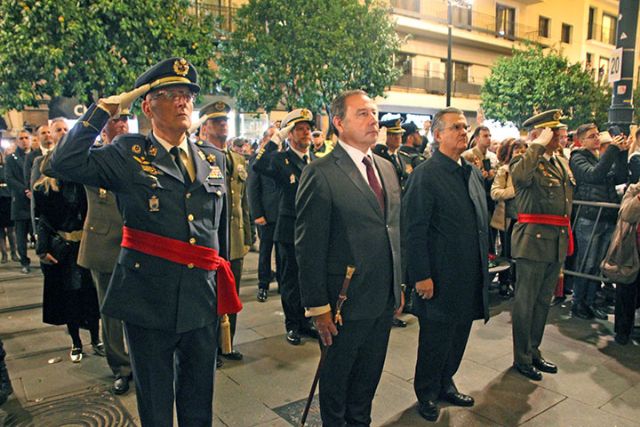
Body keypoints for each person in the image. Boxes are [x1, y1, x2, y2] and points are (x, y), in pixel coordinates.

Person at [49, 57, 234, 426]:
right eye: (172, 94)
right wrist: (103, 110)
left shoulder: (213, 159)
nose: (183, 102)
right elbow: (64, 163)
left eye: (187, 95)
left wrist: (219, 293)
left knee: (199, 403)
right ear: (148, 106)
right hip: (148, 299)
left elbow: (218, 232)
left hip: (200, 298)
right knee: (156, 405)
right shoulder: (127, 154)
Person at [296, 89, 403, 426]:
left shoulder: (385, 168)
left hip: (381, 298)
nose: (374, 120)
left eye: (374, 113)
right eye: (363, 113)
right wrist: (318, 308)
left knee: (366, 385)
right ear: (339, 123)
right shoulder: (322, 172)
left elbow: (391, 231)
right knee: (337, 387)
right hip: (343, 303)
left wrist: (397, 286)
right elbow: (308, 246)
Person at [403, 107, 489, 422]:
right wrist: (421, 276)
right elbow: (414, 231)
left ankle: (445, 382)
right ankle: (426, 392)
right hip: (438, 276)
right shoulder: (425, 175)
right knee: (435, 339)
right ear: (438, 134)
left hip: (468, 274)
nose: (463, 132)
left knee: (458, 335)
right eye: (455, 127)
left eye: (465, 127)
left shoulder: (470, 171)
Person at [510, 109, 574, 381]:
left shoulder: (558, 162)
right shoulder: (524, 160)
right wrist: (534, 146)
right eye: (553, 131)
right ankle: (522, 357)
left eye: (558, 131)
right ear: (538, 134)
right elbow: (520, 178)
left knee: (542, 302)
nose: (559, 135)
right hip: (533, 241)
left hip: (556, 240)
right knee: (525, 302)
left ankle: (534, 349)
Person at [77, 113, 132, 394]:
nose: (121, 124)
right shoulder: (92, 158)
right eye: (114, 120)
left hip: (138, 245)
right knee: (110, 313)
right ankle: (121, 367)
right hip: (104, 245)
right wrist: (92, 119)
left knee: (139, 310)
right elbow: (62, 161)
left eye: (125, 120)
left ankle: (140, 361)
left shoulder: (138, 156)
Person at [253, 108, 318, 345]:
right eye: (299, 129)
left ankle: (306, 321)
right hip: (289, 230)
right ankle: (292, 325)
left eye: (308, 129)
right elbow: (257, 166)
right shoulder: (282, 160)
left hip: (313, 231)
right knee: (290, 280)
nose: (305, 133)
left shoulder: (316, 161)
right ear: (290, 134)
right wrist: (275, 139)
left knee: (308, 279)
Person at [33, 154, 103, 363]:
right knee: (70, 298)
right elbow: (43, 221)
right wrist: (42, 248)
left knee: (91, 296)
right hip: (64, 249)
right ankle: (76, 342)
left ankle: (95, 339)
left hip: (86, 245)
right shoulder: (44, 189)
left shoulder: (83, 184)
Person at [200, 100, 251, 362]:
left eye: (225, 122)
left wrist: (249, 235)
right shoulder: (198, 157)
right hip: (211, 240)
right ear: (205, 127)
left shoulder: (237, 158)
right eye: (217, 122)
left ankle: (227, 343)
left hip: (235, 238)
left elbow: (243, 201)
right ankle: (209, 348)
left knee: (232, 292)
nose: (223, 126)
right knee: (210, 296)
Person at [569, 123, 629, 320]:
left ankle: (590, 301)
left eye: (597, 135)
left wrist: (620, 153)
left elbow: (618, 176)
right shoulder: (577, 157)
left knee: (597, 265)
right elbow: (594, 175)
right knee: (586, 263)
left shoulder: (600, 156)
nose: (597, 139)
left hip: (606, 218)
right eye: (592, 136)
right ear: (581, 140)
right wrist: (612, 149)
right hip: (589, 217)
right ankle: (578, 303)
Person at [491, 139, 528, 298]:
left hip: (526, 218)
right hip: (509, 219)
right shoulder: (505, 171)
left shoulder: (530, 171)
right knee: (507, 252)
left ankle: (518, 282)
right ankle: (504, 282)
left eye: (523, 150)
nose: (520, 154)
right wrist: (513, 190)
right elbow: (495, 193)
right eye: (517, 150)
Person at [248, 126, 280, 302]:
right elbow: (252, 188)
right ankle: (263, 285)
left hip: (282, 214)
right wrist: (257, 213)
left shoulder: (283, 158)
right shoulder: (257, 159)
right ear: (266, 140)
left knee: (283, 252)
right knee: (265, 252)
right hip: (266, 215)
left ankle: (282, 282)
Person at [614, 182, 640, 345]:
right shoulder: (633, 190)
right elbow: (626, 214)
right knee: (626, 289)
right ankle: (622, 330)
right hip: (632, 248)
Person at [4, 130, 32, 273]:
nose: (24, 140)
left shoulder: (35, 155)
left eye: (26, 137)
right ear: (16, 141)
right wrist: (25, 190)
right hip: (20, 202)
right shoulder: (11, 159)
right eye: (21, 138)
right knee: (20, 234)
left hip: (36, 201)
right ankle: (24, 261)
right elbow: (9, 178)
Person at [373, 118, 409, 191]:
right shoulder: (379, 156)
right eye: (392, 134)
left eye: (399, 133)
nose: (397, 137)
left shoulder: (405, 157)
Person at [0, 151, 18, 263]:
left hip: (7, 200)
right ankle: (4, 254)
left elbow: (10, 179)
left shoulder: (7, 167)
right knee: (0, 231)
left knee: (11, 230)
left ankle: (14, 253)